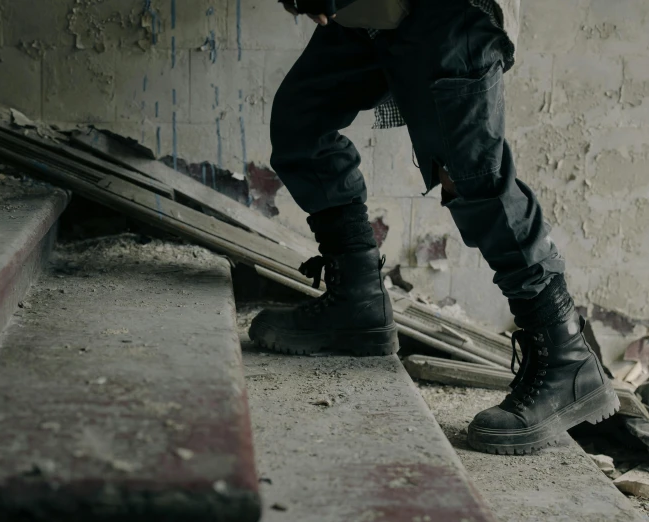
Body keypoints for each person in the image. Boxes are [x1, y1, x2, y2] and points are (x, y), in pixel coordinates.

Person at [248, 0, 619, 455]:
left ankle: (566, 359)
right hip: (369, 14)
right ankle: (357, 304)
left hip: (451, 9)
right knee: (300, 123)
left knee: (471, 178)